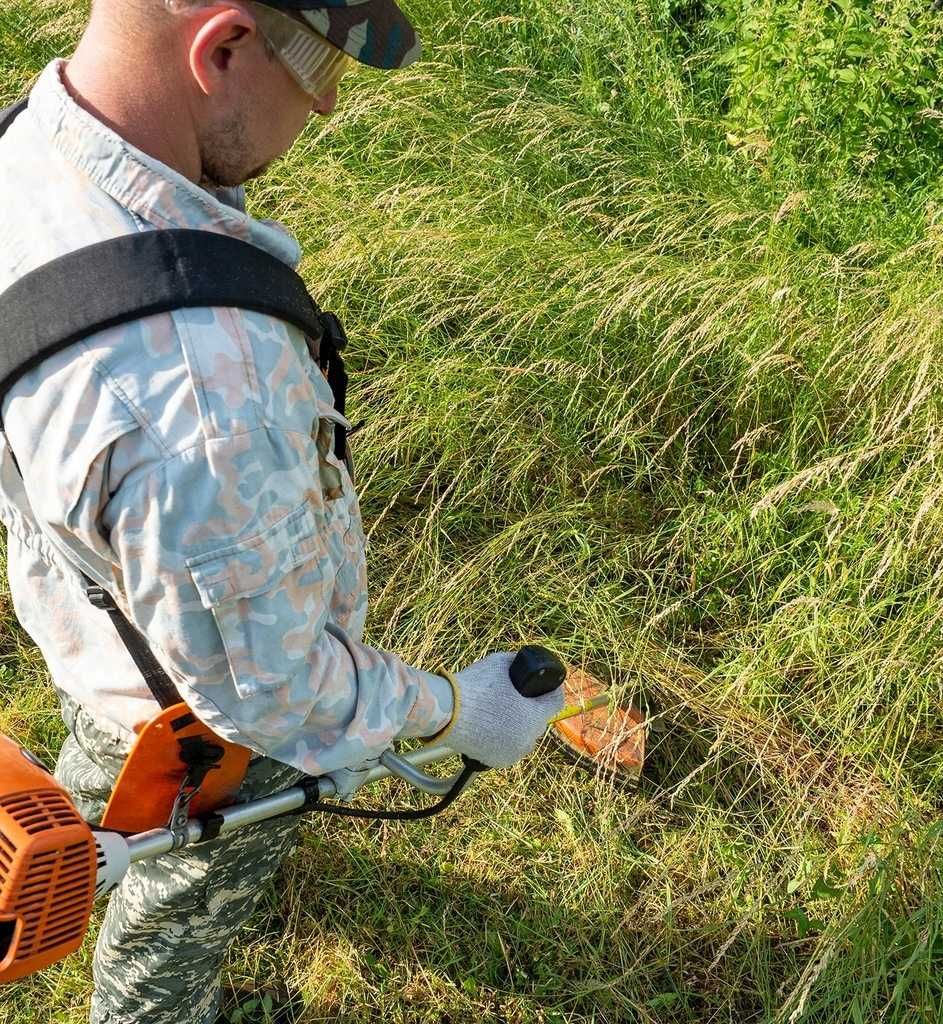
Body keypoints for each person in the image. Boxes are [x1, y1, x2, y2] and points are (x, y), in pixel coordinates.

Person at [0, 2, 564, 1022]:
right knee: (179, 913)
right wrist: (455, 713)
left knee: (105, 777)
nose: (332, 102)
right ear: (220, 47)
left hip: (100, 640)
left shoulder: (24, 150)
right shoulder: (200, 395)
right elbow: (270, 693)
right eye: (318, 70)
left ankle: (76, 850)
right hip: (211, 722)